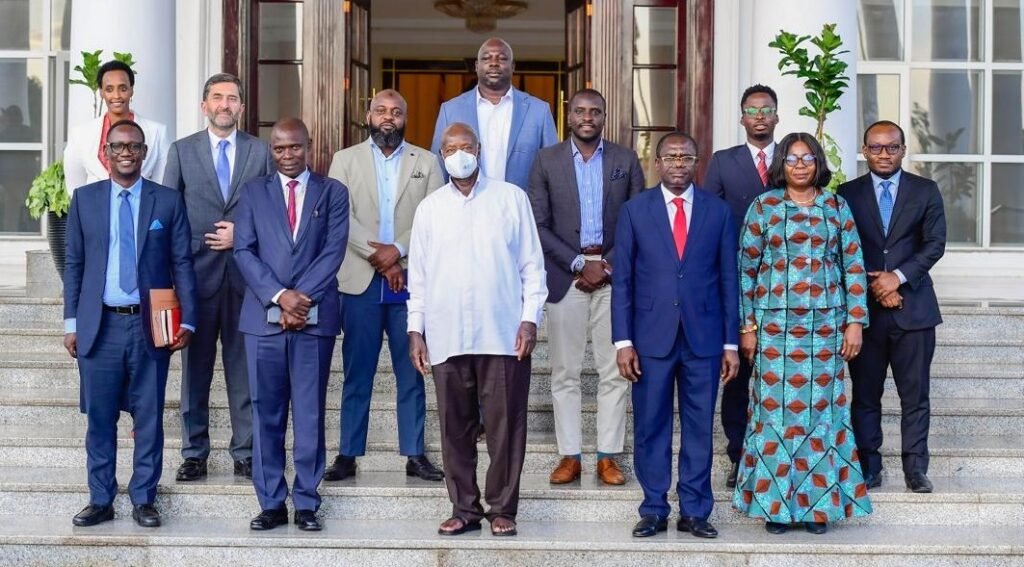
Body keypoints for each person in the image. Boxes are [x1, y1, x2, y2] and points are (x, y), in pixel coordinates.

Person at [407, 122, 547, 538]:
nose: (459, 154)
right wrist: (416, 330)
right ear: (441, 155)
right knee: (454, 426)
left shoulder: (511, 199)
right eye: (451, 148)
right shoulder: (430, 208)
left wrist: (530, 319)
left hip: (502, 332)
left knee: (506, 425)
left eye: (466, 146)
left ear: (480, 150)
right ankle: (464, 508)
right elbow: (419, 276)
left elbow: (532, 267)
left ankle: (503, 507)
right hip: (446, 334)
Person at [733, 132, 873, 535]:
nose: (799, 165)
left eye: (807, 158)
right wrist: (747, 327)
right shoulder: (764, 207)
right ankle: (775, 506)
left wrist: (854, 322)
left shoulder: (836, 207)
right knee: (772, 417)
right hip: (774, 330)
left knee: (822, 416)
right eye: (792, 159)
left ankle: (817, 507)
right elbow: (746, 270)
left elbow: (853, 267)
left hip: (826, 332)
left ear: (818, 163)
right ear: (781, 164)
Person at [63, 119, 198, 528]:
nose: (126, 152)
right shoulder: (84, 200)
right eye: (118, 146)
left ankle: (144, 498)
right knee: (100, 419)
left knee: (149, 416)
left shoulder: (167, 202)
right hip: (99, 326)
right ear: (106, 152)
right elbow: (74, 263)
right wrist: (71, 321)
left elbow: (182, 264)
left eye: (134, 146)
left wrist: (188, 320)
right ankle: (101, 499)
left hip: (150, 326)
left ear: (144, 153)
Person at [611, 132, 739, 539]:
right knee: (651, 426)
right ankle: (653, 508)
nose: (679, 163)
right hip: (650, 339)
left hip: (704, 338)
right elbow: (624, 282)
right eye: (671, 157)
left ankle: (695, 511)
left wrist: (731, 343)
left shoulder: (718, 212)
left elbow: (728, 280)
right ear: (658, 163)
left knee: (700, 427)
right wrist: (623, 341)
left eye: (686, 157)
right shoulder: (635, 210)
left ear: (697, 162)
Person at [233, 118, 349, 532]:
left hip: (313, 321)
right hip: (263, 322)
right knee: (266, 412)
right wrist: (280, 297)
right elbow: (244, 251)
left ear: (309, 146)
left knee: (309, 412)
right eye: (279, 149)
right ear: (271, 149)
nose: (287, 155)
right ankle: (271, 502)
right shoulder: (253, 193)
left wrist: (300, 299)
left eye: (295, 148)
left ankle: (306, 502)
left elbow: (333, 251)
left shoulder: (333, 192)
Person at [324, 89, 445, 482]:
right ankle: (347, 453)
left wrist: (399, 251)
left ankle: (414, 453)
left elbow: (433, 217)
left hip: (410, 282)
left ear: (405, 118)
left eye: (396, 111)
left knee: (412, 370)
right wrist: (381, 257)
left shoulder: (426, 162)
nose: (388, 117)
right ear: (368, 115)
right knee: (357, 372)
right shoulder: (345, 160)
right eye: (380, 110)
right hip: (359, 281)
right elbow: (339, 217)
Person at [527, 88, 644, 486]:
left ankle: (608, 457)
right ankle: (570, 455)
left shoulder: (625, 160)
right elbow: (537, 224)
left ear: (604, 116)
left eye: (595, 110)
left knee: (613, 371)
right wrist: (579, 263)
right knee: (565, 371)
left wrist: (605, 263)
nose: (587, 117)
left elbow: (638, 219)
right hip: (566, 277)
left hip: (613, 278)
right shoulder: (546, 160)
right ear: (569, 115)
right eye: (580, 111)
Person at [163, 73, 274, 483]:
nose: (225, 105)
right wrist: (170, 281)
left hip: (247, 279)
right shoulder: (181, 151)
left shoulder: (260, 152)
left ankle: (245, 452)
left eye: (232, 98)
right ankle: (194, 452)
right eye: (217, 98)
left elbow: (272, 214)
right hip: (194, 277)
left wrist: (241, 234)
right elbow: (168, 216)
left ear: (242, 107)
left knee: (244, 370)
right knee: (196, 369)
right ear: (204, 105)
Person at [839, 120, 946, 494]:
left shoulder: (926, 191)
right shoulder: (844, 194)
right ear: (864, 150)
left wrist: (897, 278)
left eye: (892, 147)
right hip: (864, 314)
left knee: (915, 396)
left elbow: (934, 244)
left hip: (914, 311)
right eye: (876, 147)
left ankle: (916, 469)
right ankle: (869, 465)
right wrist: (879, 286)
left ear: (903, 150)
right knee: (865, 395)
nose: (884, 154)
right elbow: (841, 250)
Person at [703, 84, 780, 488]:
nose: (760, 116)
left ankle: (777, 453)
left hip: (787, 286)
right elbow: (710, 218)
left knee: (779, 376)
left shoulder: (793, 157)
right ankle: (740, 456)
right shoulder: (723, 161)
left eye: (767, 109)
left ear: (776, 116)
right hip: (737, 282)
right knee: (738, 376)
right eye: (752, 109)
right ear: (742, 117)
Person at [430, 37, 557, 190]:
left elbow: (552, 168)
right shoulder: (450, 110)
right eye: (486, 58)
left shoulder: (539, 111)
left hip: (520, 209)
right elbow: (438, 169)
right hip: (465, 207)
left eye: (502, 58)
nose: (494, 63)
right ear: (477, 66)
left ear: (513, 66)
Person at [64, 60, 170, 192]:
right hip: (95, 209)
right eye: (109, 89)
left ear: (131, 90)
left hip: (143, 209)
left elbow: (162, 187)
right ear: (101, 92)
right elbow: (75, 187)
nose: (116, 95)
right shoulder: (80, 135)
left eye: (123, 88)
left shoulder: (158, 132)